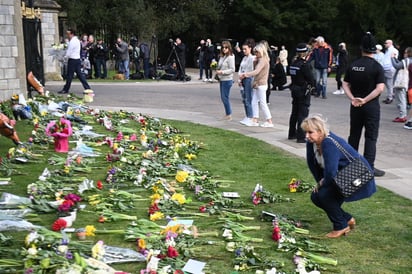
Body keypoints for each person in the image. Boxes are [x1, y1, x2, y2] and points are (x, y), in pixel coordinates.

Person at [301, 114, 376, 238]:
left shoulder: (328, 143)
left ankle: (340, 226)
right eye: (305, 132)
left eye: (310, 132)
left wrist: (322, 185)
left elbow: (330, 172)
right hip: (339, 175)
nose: (306, 136)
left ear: (320, 132)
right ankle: (346, 219)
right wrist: (319, 182)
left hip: (355, 175)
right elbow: (312, 165)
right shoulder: (312, 142)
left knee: (324, 195)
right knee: (316, 196)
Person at [342, 32, 386, 177]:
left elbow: (345, 83)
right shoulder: (377, 67)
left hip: (355, 105)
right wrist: (365, 100)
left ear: (361, 49)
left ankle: (350, 164)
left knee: (354, 135)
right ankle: (368, 167)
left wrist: (353, 98)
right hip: (370, 106)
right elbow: (380, 88)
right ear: (374, 49)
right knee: (371, 136)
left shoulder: (353, 65)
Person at [239, 43, 274, 127]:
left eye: (257, 52)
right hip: (257, 84)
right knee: (254, 101)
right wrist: (254, 62)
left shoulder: (263, 60)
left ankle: (269, 121)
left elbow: (256, 71)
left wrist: (245, 74)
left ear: (261, 52)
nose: (255, 54)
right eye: (255, 52)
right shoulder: (260, 60)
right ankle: (255, 119)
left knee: (262, 103)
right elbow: (256, 70)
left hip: (261, 84)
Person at [288, 43, 315, 143]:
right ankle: (301, 136)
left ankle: (291, 133)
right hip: (303, 90)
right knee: (302, 114)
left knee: (294, 112)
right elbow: (311, 79)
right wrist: (313, 86)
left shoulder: (293, 63)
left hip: (294, 89)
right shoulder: (304, 65)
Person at [58, 28, 91, 94]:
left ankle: (66, 89)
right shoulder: (77, 40)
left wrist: (64, 58)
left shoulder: (73, 41)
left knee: (69, 75)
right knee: (80, 75)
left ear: (72, 34)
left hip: (72, 60)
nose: (67, 35)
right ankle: (87, 88)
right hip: (77, 59)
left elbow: (69, 52)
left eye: (68, 34)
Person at [215, 41, 235, 120]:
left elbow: (232, 69)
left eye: (226, 47)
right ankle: (228, 113)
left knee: (224, 97)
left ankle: (228, 114)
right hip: (222, 79)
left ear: (229, 48)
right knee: (223, 97)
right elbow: (219, 65)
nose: (224, 49)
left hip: (227, 79)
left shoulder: (230, 57)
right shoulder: (222, 56)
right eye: (223, 47)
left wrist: (222, 72)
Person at [391, 47, 412, 123]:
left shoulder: (407, 60)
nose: (404, 54)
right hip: (408, 83)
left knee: (401, 99)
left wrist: (392, 58)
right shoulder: (409, 61)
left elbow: (396, 66)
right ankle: (403, 115)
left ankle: (402, 116)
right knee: (403, 99)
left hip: (402, 83)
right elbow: (400, 64)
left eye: (406, 52)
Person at [238, 40, 256, 126]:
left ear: (250, 48)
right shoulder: (244, 58)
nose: (244, 51)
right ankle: (247, 115)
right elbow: (240, 69)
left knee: (248, 98)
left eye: (245, 49)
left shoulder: (252, 58)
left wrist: (243, 76)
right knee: (244, 98)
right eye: (243, 49)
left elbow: (250, 70)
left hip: (248, 78)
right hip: (243, 78)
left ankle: (250, 116)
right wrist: (240, 78)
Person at [381, 39, 399, 104]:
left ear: (390, 43)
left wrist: (391, 68)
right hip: (386, 69)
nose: (384, 44)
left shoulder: (394, 50)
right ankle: (391, 95)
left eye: (386, 43)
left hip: (389, 69)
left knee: (389, 84)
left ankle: (390, 97)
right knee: (388, 84)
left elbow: (394, 60)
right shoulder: (388, 50)